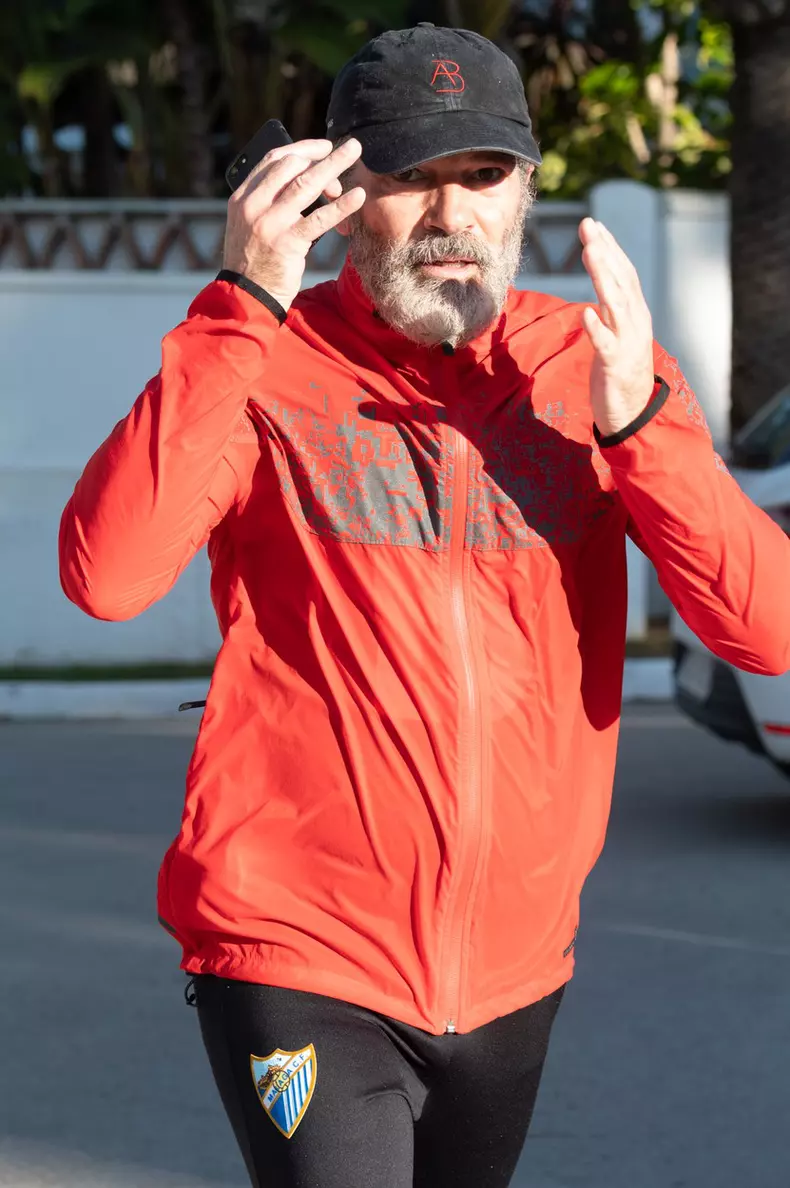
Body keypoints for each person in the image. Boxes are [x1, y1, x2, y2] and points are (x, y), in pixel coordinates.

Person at [59, 23, 790, 1188]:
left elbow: (767, 631)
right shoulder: (262, 360)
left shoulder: (585, 362)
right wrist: (242, 299)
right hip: (296, 946)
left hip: (514, 970)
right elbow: (107, 576)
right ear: (347, 198)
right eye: (409, 178)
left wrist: (637, 429)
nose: (450, 215)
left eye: (481, 176)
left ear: (524, 193)